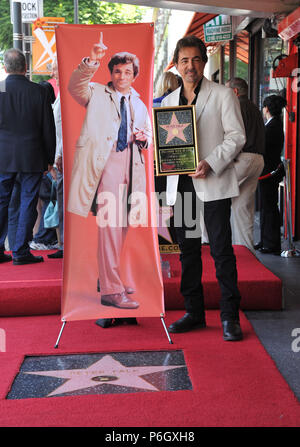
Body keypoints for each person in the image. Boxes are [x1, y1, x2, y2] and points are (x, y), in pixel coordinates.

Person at [161, 35, 246, 341]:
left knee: (222, 251)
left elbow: (236, 136)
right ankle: (194, 312)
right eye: (184, 60)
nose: (190, 66)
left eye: (196, 59)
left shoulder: (223, 95)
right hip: (181, 186)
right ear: (177, 64)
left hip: (214, 183)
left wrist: (211, 162)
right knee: (188, 252)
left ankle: (229, 316)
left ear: (204, 62)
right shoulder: (168, 102)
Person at [67, 41, 151, 316]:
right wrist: (91, 60)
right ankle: (112, 291)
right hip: (106, 168)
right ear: (111, 72)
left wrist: (144, 138)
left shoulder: (138, 102)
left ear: (134, 75)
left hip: (132, 168)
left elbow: (148, 136)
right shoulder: (97, 93)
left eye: (127, 72)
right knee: (110, 230)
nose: (122, 77)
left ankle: (108, 279)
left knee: (122, 227)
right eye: (117, 71)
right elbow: (75, 87)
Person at [0, 48, 56, 265]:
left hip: (3, 157)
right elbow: (47, 128)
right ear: (26, 67)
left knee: (1, 201)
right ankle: (20, 251)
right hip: (32, 156)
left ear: (5, 68)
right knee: (28, 201)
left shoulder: (0, 89)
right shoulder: (38, 91)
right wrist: (49, 158)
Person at [226, 78, 265, 254]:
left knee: (211, 198)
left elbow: (232, 137)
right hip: (257, 160)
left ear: (234, 92)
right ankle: (246, 253)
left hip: (241, 159)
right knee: (243, 208)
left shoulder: (236, 106)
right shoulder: (255, 107)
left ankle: (208, 244)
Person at [255, 94, 287, 255]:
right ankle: (264, 240)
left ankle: (271, 242)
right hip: (268, 170)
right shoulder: (274, 124)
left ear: (266, 108)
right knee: (266, 207)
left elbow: (264, 148)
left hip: (269, 171)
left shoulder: (272, 126)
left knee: (269, 208)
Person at [47, 57, 64, 259]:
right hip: (62, 157)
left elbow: (61, 131)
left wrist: (57, 156)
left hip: (64, 159)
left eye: (55, 70)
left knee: (63, 200)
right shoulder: (61, 96)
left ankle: (65, 245)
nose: (52, 75)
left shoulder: (65, 96)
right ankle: (63, 244)